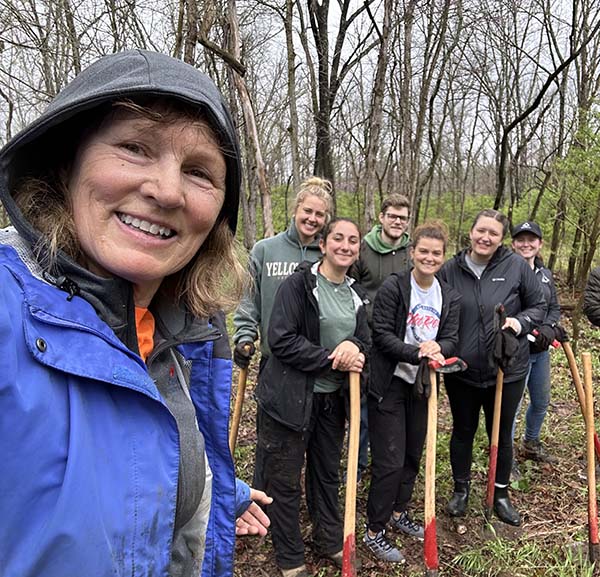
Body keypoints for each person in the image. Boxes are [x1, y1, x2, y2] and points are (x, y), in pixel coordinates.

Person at [0, 49, 271, 577]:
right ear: (66, 162)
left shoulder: (182, 332)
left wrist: (212, 483)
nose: (167, 191)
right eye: (134, 148)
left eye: (199, 172)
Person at [254, 218, 370, 577]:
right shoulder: (299, 285)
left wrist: (355, 346)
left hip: (331, 402)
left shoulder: (356, 293)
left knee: (325, 474)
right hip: (290, 400)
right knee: (284, 480)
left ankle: (329, 540)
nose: (346, 246)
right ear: (323, 244)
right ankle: (290, 558)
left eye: (353, 241)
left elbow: (364, 341)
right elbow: (281, 339)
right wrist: (331, 357)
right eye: (338, 238)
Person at [439, 209, 546, 527]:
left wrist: (520, 321)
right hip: (462, 371)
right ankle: (461, 490)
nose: (486, 237)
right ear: (471, 232)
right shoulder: (450, 270)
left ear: (501, 239)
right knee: (462, 431)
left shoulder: (515, 266)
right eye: (481, 231)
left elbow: (538, 306)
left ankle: (500, 494)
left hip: (507, 368)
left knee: (500, 432)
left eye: (494, 233)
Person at [362, 221, 460, 562]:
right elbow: (381, 334)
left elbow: (451, 337)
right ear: (412, 252)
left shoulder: (448, 294)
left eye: (436, 253)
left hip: (422, 386)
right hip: (389, 383)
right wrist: (416, 351)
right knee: (389, 461)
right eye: (423, 251)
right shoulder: (395, 287)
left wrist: (438, 347)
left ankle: (398, 512)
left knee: (411, 457)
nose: (429, 258)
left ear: (443, 257)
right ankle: (374, 530)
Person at [349, 193, 412, 476]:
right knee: (363, 405)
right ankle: (358, 463)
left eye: (403, 218)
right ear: (382, 217)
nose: (397, 222)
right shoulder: (362, 250)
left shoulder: (412, 252)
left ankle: (386, 461)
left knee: (393, 403)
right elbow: (350, 288)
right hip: (368, 338)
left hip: (401, 341)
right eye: (393, 216)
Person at [511, 221, 561, 465]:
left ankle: (531, 443)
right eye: (521, 239)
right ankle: (505, 457)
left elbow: (553, 307)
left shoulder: (545, 275)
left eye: (531, 240)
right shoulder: (506, 273)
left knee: (541, 401)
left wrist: (549, 328)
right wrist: (532, 328)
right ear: (513, 243)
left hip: (540, 351)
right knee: (513, 406)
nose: (526, 244)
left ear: (540, 244)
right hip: (516, 351)